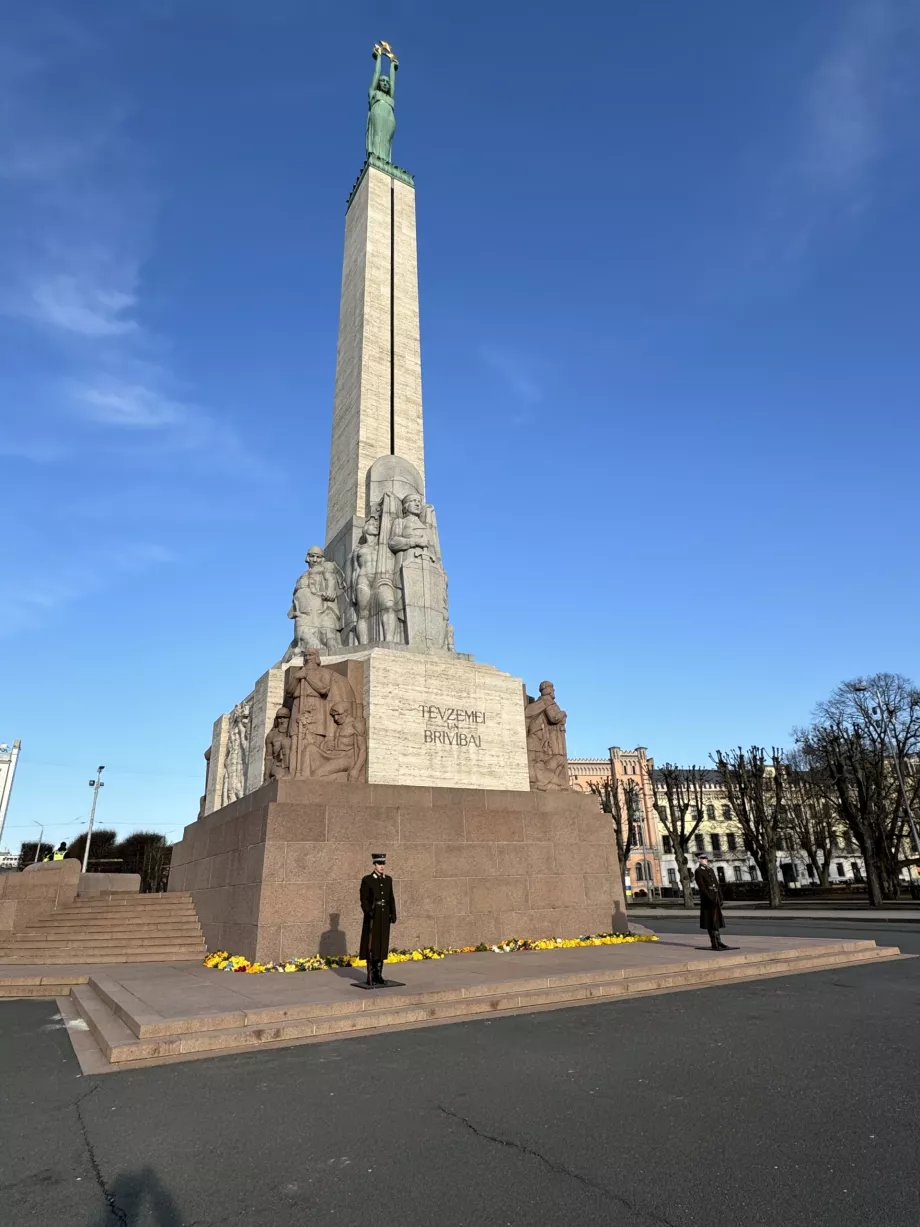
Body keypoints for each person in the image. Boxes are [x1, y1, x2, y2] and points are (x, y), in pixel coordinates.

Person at [359, 853, 397, 986]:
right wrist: (368, 911)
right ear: (374, 864)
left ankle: (379, 974)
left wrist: (393, 913)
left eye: (383, 864)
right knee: (372, 945)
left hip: (384, 915)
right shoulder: (368, 880)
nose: (382, 867)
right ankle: (372, 973)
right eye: (379, 864)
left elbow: (391, 897)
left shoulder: (388, 880)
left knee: (382, 944)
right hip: (373, 917)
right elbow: (364, 899)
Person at [695, 853, 728, 950]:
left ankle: (719, 941)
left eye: (706, 858)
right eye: (703, 858)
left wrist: (721, 896)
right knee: (710, 920)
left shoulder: (710, 869)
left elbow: (716, 884)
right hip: (707, 899)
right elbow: (702, 886)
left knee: (716, 920)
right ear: (699, 860)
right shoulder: (698, 871)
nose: (705, 860)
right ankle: (714, 942)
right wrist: (709, 897)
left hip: (715, 896)